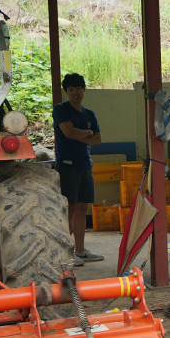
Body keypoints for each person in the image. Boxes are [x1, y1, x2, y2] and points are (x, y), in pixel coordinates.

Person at [53, 73, 104, 265]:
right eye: (71, 89)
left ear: (84, 90)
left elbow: (98, 139)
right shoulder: (61, 110)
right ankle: (66, 253)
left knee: (83, 207)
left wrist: (80, 134)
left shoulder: (89, 114)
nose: (75, 92)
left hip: (85, 165)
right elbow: (68, 132)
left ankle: (80, 251)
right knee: (70, 208)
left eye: (78, 88)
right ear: (67, 92)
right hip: (67, 165)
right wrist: (87, 133)